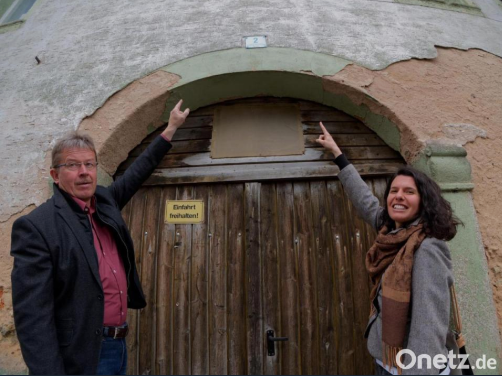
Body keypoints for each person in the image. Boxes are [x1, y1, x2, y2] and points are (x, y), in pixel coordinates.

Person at [11, 100, 190, 375]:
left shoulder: (105, 201)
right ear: (55, 176)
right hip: (80, 353)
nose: (84, 172)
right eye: (73, 165)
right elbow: (32, 316)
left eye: (89, 164)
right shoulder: (37, 227)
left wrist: (171, 129)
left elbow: (136, 173)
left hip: (117, 345)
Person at [316, 122, 461, 375]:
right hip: (386, 361)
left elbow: (429, 324)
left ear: (424, 202)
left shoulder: (426, 248)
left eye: (409, 191)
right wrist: (338, 155)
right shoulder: (393, 232)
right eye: (394, 191)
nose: (398, 196)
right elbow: (366, 202)